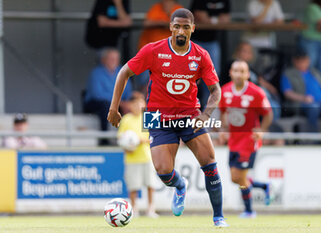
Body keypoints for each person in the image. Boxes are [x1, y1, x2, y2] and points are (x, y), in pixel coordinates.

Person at [108, 8, 228, 227]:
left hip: (189, 114)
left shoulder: (201, 55)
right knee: (163, 171)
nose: (180, 30)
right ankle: (180, 186)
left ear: (193, 28)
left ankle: (218, 217)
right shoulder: (153, 50)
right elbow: (124, 72)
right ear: (170, 27)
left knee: (210, 164)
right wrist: (113, 108)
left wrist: (206, 114)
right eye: (176, 26)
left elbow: (216, 90)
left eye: (185, 26)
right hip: (156, 116)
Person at [219, 60, 273, 218]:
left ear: (248, 74)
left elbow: (268, 113)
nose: (238, 74)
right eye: (236, 70)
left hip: (249, 140)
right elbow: (223, 112)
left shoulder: (256, 92)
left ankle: (249, 210)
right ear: (230, 72)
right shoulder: (225, 91)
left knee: (239, 177)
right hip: (234, 140)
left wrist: (262, 130)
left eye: (242, 71)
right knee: (235, 178)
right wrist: (223, 130)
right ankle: (263, 186)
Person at [117, 92, 159, 218]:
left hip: (148, 157)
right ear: (130, 105)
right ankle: (134, 210)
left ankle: (151, 209)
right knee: (133, 186)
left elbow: (155, 138)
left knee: (151, 185)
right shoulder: (125, 119)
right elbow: (121, 138)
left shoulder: (150, 117)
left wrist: (140, 140)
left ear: (144, 104)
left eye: (140, 103)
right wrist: (128, 146)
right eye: (134, 103)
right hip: (132, 159)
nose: (137, 106)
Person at [84, 48, 132, 145]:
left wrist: (127, 103)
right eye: (111, 58)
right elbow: (97, 94)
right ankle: (104, 139)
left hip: (117, 104)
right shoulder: (96, 73)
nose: (114, 61)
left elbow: (128, 92)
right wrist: (120, 102)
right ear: (103, 60)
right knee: (106, 105)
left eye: (116, 59)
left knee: (134, 106)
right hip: (95, 103)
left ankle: (128, 137)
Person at [190, 0, 231, 110]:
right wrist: (216, 21)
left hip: (212, 42)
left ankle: (207, 110)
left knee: (212, 75)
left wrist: (210, 20)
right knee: (191, 74)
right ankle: (189, 108)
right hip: (195, 41)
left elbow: (226, 18)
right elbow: (200, 16)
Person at [136, 0, 183, 94]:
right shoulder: (156, 8)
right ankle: (141, 104)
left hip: (169, 54)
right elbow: (146, 23)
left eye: (169, 2)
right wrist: (160, 23)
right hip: (149, 52)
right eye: (165, 1)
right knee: (144, 81)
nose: (166, 3)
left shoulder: (179, 10)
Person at [280, 50, 321, 132]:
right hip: (302, 104)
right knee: (314, 107)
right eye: (299, 60)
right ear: (294, 61)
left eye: (304, 60)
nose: (302, 63)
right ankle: (314, 138)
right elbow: (287, 93)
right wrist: (303, 98)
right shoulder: (288, 73)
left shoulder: (314, 71)